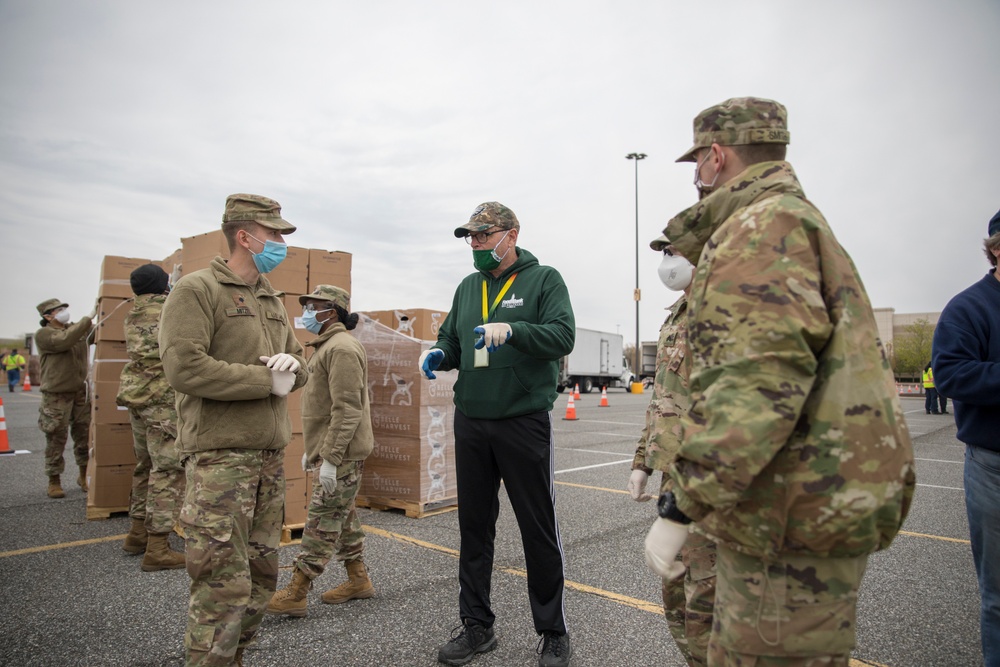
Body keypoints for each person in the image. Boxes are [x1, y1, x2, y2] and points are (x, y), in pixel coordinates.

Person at [644, 97, 916, 667]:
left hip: (787, 526)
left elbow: (755, 391)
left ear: (716, 156)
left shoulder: (759, 229)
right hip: (801, 514)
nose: (696, 176)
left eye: (696, 161)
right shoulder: (792, 218)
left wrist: (681, 507)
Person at [420, 202, 575, 667]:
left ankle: (552, 632)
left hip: (522, 419)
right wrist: (439, 353)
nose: (476, 244)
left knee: (537, 528)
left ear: (511, 235)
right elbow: (453, 339)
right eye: (470, 237)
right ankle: (476, 627)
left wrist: (515, 330)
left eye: (484, 235)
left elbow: (562, 336)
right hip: (471, 418)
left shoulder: (544, 279)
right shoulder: (468, 287)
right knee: (474, 528)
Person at [159, 193, 308, 667]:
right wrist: (266, 380)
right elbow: (185, 368)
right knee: (223, 585)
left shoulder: (269, 297)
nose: (281, 243)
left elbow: (297, 366)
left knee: (262, 579)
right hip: (220, 460)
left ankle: (235, 657)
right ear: (245, 236)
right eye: (275, 234)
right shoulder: (197, 290)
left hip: (266, 458)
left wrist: (293, 369)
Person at [627, 233, 714, 666]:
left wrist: (684, 503)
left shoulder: (719, 311)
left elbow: (728, 411)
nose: (666, 260)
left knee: (707, 606)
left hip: (709, 483)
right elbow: (663, 396)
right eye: (663, 252)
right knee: (677, 597)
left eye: (674, 250)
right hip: (674, 477)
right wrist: (643, 461)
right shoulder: (676, 314)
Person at [266, 284, 375, 617]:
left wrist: (330, 457)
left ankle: (297, 591)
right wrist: (315, 450)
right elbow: (323, 406)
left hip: (341, 455)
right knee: (342, 516)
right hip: (332, 450)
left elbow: (347, 408)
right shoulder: (327, 347)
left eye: (313, 307)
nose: (307, 313)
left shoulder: (341, 348)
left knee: (322, 521)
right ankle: (359, 580)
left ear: (332, 311)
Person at [932, 208, 1000, 667]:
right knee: (999, 595)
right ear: (996, 249)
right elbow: (950, 372)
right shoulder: (969, 307)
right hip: (994, 466)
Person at [116, 264, 186, 571]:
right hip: (161, 401)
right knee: (168, 470)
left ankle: (137, 533)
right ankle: (158, 547)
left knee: (145, 466)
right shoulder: (167, 311)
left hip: (136, 396)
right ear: (163, 285)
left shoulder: (133, 313)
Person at [35, 298, 95, 498]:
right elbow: (64, 341)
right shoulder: (44, 334)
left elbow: (96, 334)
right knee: (56, 437)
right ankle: (54, 480)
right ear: (48, 316)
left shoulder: (75, 330)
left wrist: (102, 312)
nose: (63, 312)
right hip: (56, 394)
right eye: (58, 310)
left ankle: (83, 475)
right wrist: (88, 318)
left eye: (63, 309)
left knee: (84, 435)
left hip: (80, 391)